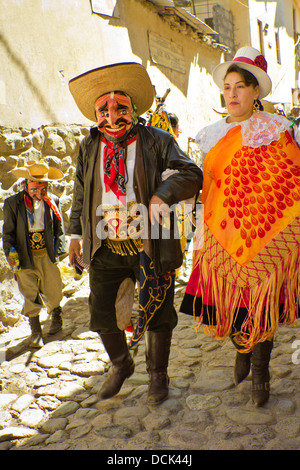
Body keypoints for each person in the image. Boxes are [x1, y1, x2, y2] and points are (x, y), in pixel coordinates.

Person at [67, 62, 203, 405]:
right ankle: (121, 364)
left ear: (134, 109)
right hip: (104, 244)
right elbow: (81, 192)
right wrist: (74, 236)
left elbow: (190, 173)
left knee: (158, 310)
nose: (112, 117)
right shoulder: (88, 147)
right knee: (101, 312)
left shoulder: (157, 140)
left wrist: (162, 194)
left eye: (120, 108)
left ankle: (158, 376)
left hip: (151, 241)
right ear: (96, 114)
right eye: (104, 109)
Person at [180, 46, 300, 407]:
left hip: (264, 232)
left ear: (255, 92)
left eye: (240, 87)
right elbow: (205, 182)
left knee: (261, 302)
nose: (232, 94)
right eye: (227, 87)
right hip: (220, 231)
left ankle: (260, 371)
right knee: (228, 301)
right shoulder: (211, 134)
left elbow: (291, 178)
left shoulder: (278, 130)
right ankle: (241, 346)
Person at [3, 160, 66, 348]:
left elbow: (59, 229)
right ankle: (36, 330)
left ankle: (56, 314)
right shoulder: (13, 203)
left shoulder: (52, 202)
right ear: (25, 184)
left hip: (46, 252)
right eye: (34, 188)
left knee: (53, 287)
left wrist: (58, 252)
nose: (39, 192)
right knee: (29, 290)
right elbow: (8, 232)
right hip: (23, 252)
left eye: (43, 188)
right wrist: (11, 256)